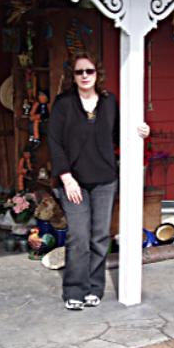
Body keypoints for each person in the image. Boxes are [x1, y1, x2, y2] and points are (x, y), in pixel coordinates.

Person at [48, 51, 150, 310]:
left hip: (104, 180)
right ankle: (74, 290)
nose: (85, 76)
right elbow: (54, 143)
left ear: (97, 74)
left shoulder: (108, 102)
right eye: (79, 72)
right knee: (78, 236)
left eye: (89, 71)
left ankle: (94, 288)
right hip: (74, 182)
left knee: (99, 236)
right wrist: (66, 178)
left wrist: (140, 131)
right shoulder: (63, 104)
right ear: (73, 76)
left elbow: (120, 134)